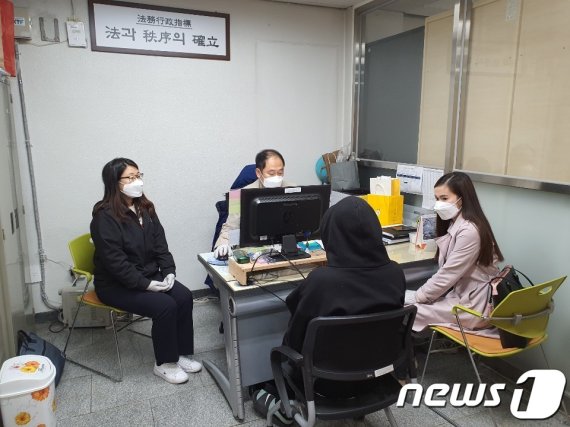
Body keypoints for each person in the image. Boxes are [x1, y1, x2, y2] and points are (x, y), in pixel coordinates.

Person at [253, 196, 406, 423]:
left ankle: (278, 406)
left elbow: (295, 338)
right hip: (378, 379)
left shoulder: (322, 281)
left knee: (263, 385)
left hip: (323, 384)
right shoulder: (395, 273)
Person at [90, 158, 202, 384]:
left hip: (148, 274)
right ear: (115, 182)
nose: (137, 181)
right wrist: (145, 284)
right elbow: (115, 264)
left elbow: (161, 244)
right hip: (115, 284)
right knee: (165, 306)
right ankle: (164, 363)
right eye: (130, 177)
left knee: (183, 296)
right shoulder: (104, 217)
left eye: (138, 175)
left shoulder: (145, 208)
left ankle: (179, 354)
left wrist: (169, 271)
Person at [410, 171, 504, 335]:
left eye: (444, 199)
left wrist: (418, 296)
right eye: (437, 199)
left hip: (474, 308)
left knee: (405, 309)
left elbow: (447, 274)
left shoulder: (469, 231)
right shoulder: (458, 224)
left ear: (462, 199)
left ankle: (402, 358)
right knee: (402, 302)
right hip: (463, 297)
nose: (438, 204)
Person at [213, 148, 293, 259]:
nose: (277, 177)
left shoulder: (293, 189)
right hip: (252, 254)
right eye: (271, 173)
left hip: (285, 251)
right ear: (258, 173)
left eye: (280, 172)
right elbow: (229, 227)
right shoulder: (237, 196)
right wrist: (223, 244)